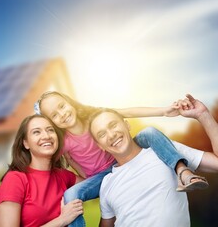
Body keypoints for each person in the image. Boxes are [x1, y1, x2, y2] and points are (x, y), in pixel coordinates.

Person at [35, 91, 208, 226]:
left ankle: (182, 172)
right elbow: (47, 160)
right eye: (55, 116)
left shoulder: (94, 117)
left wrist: (163, 111)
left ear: (69, 102)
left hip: (123, 154)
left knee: (148, 132)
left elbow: (129, 112)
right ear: (53, 123)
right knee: (71, 193)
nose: (62, 114)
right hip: (101, 177)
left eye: (62, 106)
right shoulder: (64, 141)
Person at [89, 94, 218, 226]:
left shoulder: (166, 150)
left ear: (127, 125)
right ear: (100, 145)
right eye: (102, 134)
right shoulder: (106, 184)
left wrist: (203, 114)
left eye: (113, 125)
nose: (111, 135)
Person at [0, 114, 84, 227]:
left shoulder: (62, 175)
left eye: (50, 130)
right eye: (36, 132)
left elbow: (93, 184)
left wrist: (70, 159)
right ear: (26, 143)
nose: (46, 136)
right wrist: (62, 220)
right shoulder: (15, 179)